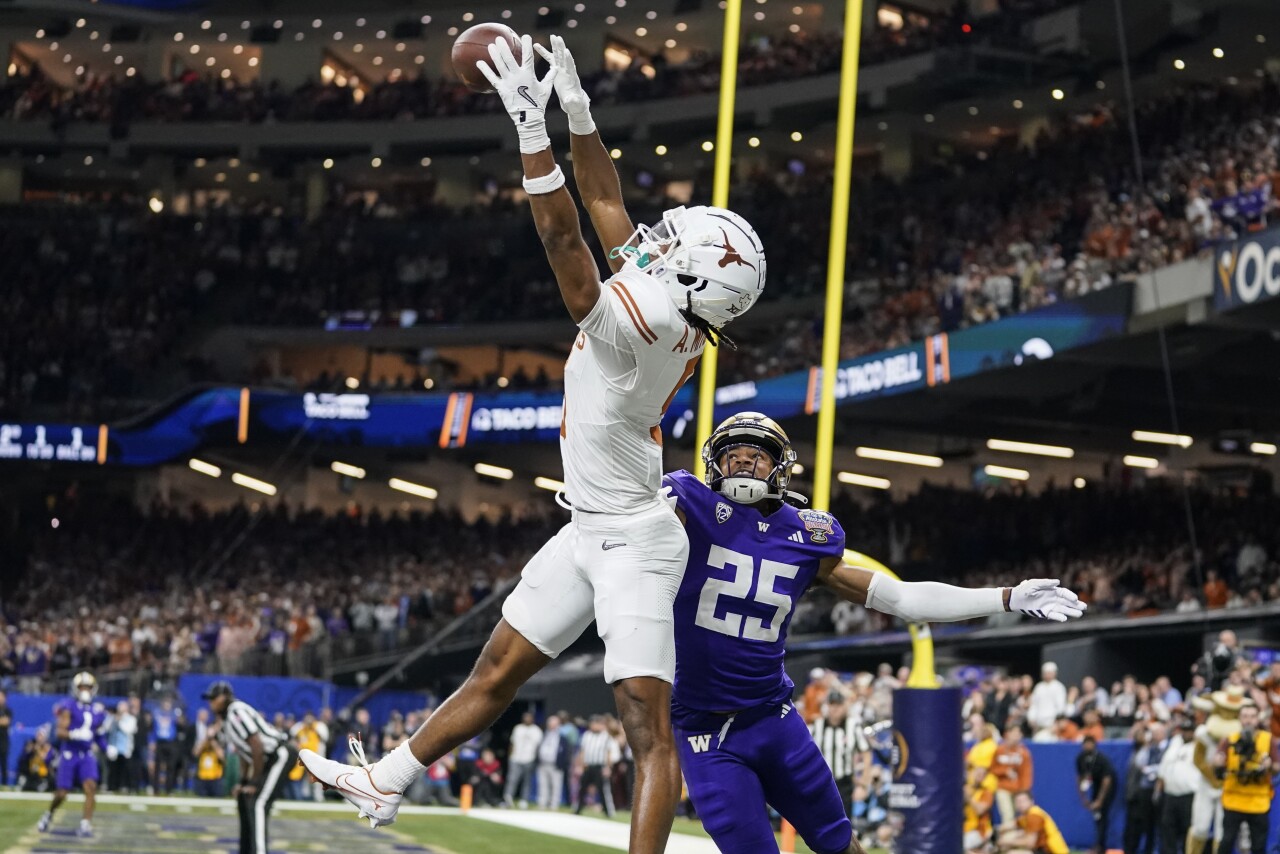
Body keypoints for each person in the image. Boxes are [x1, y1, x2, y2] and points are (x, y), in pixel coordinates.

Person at [299, 32, 767, 854]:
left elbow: (567, 245)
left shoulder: (650, 321)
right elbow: (611, 206)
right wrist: (581, 116)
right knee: (496, 672)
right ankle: (386, 781)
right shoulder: (677, 301)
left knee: (648, 732)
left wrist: (529, 128)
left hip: (633, 546)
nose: (657, 237)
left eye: (675, 243)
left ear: (693, 280)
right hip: (589, 528)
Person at [660, 412, 1085, 854]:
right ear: (714, 465)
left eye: (756, 457)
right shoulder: (688, 506)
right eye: (733, 457)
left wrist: (1007, 597)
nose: (744, 465)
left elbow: (903, 599)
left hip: (773, 718)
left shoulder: (805, 535)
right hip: (703, 729)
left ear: (780, 468)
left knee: (841, 844)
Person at [204, 681, 297, 854]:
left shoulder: (236, 711)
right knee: (245, 799)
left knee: (258, 803)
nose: (210, 703)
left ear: (224, 698)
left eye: (213, 698)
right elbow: (244, 753)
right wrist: (244, 781)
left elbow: (256, 744)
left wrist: (254, 781)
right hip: (268, 757)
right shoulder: (226, 720)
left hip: (279, 753)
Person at [37, 672, 107, 838]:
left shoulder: (97, 710)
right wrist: (74, 734)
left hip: (87, 754)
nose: (85, 690)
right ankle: (49, 814)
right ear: (76, 689)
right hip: (70, 753)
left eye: (88, 687)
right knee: (62, 792)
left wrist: (106, 748)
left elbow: (98, 734)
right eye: (82, 687)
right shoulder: (69, 706)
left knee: (90, 787)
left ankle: (85, 824)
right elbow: (60, 732)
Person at [1213, 702, 1275, 854]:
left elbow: (1277, 767)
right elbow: (1217, 767)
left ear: (1258, 719)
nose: (1249, 720)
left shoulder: (1267, 739)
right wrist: (1217, 763)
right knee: (1226, 842)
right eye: (1245, 716)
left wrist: (1269, 765)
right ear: (1239, 718)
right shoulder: (1229, 740)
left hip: (1258, 801)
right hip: (1233, 799)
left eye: (1252, 716)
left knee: (1258, 846)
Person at [1123, 721, 1167, 854]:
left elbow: (1163, 768)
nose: (1153, 736)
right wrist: (1146, 745)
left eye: (1156, 733)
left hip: (1162, 791)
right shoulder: (1147, 748)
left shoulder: (1168, 747)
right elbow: (1139, 763)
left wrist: (1152, 770)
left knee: (1161, 825)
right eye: (1152, 733)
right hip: (1145, 791)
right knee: (1145, 825)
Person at [1157, 718, 1199, 854]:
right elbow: (1163, 767)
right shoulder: (1175, 744)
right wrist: (1159, 787)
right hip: (1170, 795)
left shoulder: (1198, 747)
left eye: (1189, 731)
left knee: (1188, 830)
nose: (1186, 733)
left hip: (1189, 795)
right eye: (1184, 730)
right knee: (1167, 828)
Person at [1076, 735, 1117, 854]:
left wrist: (1100, 800)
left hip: (1107, 788)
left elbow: (1107, 780)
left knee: (1102, 815)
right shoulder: (1081, 758)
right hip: (1095, 785)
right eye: (1086, 743)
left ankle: (1100, 846)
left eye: (1090, 743)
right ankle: (1098, 845)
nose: (1088, 746)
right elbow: (1080, 778)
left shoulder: (1101, 759)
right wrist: (1083, 797)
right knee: (1097, 816)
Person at [998, 791, 1070, 854]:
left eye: (1023, 801)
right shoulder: (1028, 815)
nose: (1020, 804)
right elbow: (1011, 825)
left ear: (1031, 801)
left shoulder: (1034, 816)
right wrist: (995, 831)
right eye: (1018, 801)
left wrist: (1006, 841)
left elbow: (1029, 842)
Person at [575, 715, 619, 818]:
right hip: (588, 766)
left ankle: (608, 811)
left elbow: (608, 753)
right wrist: (580, 765)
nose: (593, 726)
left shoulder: (606, 736)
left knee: (603, 790)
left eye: (596, 724)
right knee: (582, 788)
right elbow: (582, 751)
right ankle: (578, 809)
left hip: (600, 766)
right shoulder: (587, 735)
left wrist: (608, 767)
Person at [992, 724, 1033, 830]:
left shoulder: (1024, 753)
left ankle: (1013, 839)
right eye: (1014, 733)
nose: (1016, 736)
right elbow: (993, 768)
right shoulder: (1000, 750)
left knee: (1019, 817)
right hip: (1003, 787)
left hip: (1018, 790)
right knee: (1008, 815)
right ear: (1007, 734)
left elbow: (1027, 773)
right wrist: (1004, 771)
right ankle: (1007, 841)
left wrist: (1024, 791)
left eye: (1018, 733)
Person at [504, 711, 542, 807]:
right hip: (515, 758)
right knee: (512, 779)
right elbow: (512, 743)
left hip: (529, 758)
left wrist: (536, 759)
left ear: (532, 719)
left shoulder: (536, 730)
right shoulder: (518, 728)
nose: (527, 719)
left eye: (529, 718)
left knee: (527, 780)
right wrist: (510, 756)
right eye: (525, 717)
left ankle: (524, 800)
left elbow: (538, 746)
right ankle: (508, 797)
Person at [536, 713, 572, 810]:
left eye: (554, 723)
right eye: (550, 723)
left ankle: (554, 805)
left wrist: (562, 764)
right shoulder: (544, 734)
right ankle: (542, 803)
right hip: (543, 764)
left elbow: (566, 753)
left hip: (555, 765)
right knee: (543, 785)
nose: (551, 725)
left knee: (556, 786)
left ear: (558, 724)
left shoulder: (562, 738)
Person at [1028, 663, 1067, 739]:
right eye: (1045, 673)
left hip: (1052, 726)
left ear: (1054, 673)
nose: (1047, 675)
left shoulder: (1059, 687)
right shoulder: (1038, 687)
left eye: (1049, 673)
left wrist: (1057, 723)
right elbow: (1034, 705)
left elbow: (1061, 707)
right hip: (1038, 726)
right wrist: (1031, 718)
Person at [105, 700, 136, 792]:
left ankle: (125, 786)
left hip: (125, 748)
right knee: (113, 769)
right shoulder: (112, 718)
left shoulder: (131, 718)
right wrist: (113, 719)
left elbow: (128, 730)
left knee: (125, 769)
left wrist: (120, 721)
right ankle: (112, 786)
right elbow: (107, 728)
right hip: (113, 747)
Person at [0, 689, 10, 787]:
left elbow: (6, 722)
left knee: (4, 764)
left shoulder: (7, 710)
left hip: (3, 741)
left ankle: (4, 784)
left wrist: (3, 721)